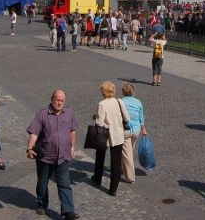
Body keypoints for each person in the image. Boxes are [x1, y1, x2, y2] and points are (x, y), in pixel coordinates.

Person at [26, 89, 80, 220]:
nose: (60, 103)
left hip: (63, 156)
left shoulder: (69, 113)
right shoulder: (42, 114)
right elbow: (34, 133)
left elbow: (72, 130)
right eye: (57, 100)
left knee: (64, 184)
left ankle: (68, 211)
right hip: (45, 157)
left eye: (62, 101)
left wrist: (73, 146)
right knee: (42, 183)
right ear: (52, 100)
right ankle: (42, 204)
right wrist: (29, 149)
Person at [91, 81, 130, 197]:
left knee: (100, 157)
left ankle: (97, 178)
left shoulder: (102, 104)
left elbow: (99, 123)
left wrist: (95, 116)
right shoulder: (119, 101)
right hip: (118, 135)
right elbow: (127, 118)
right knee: (116, 162)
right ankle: (113, 189)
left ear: (103, 91)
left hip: (105, 135)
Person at [121, 83, 147, 183]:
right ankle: (122, 168)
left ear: (123, 91)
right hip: (136, 131)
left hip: (126, 130)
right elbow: (141, 117)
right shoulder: (138, 102)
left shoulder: (121, 102)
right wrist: (143, 129)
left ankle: (130, 177)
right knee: (129, 150)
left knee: (126, 153)